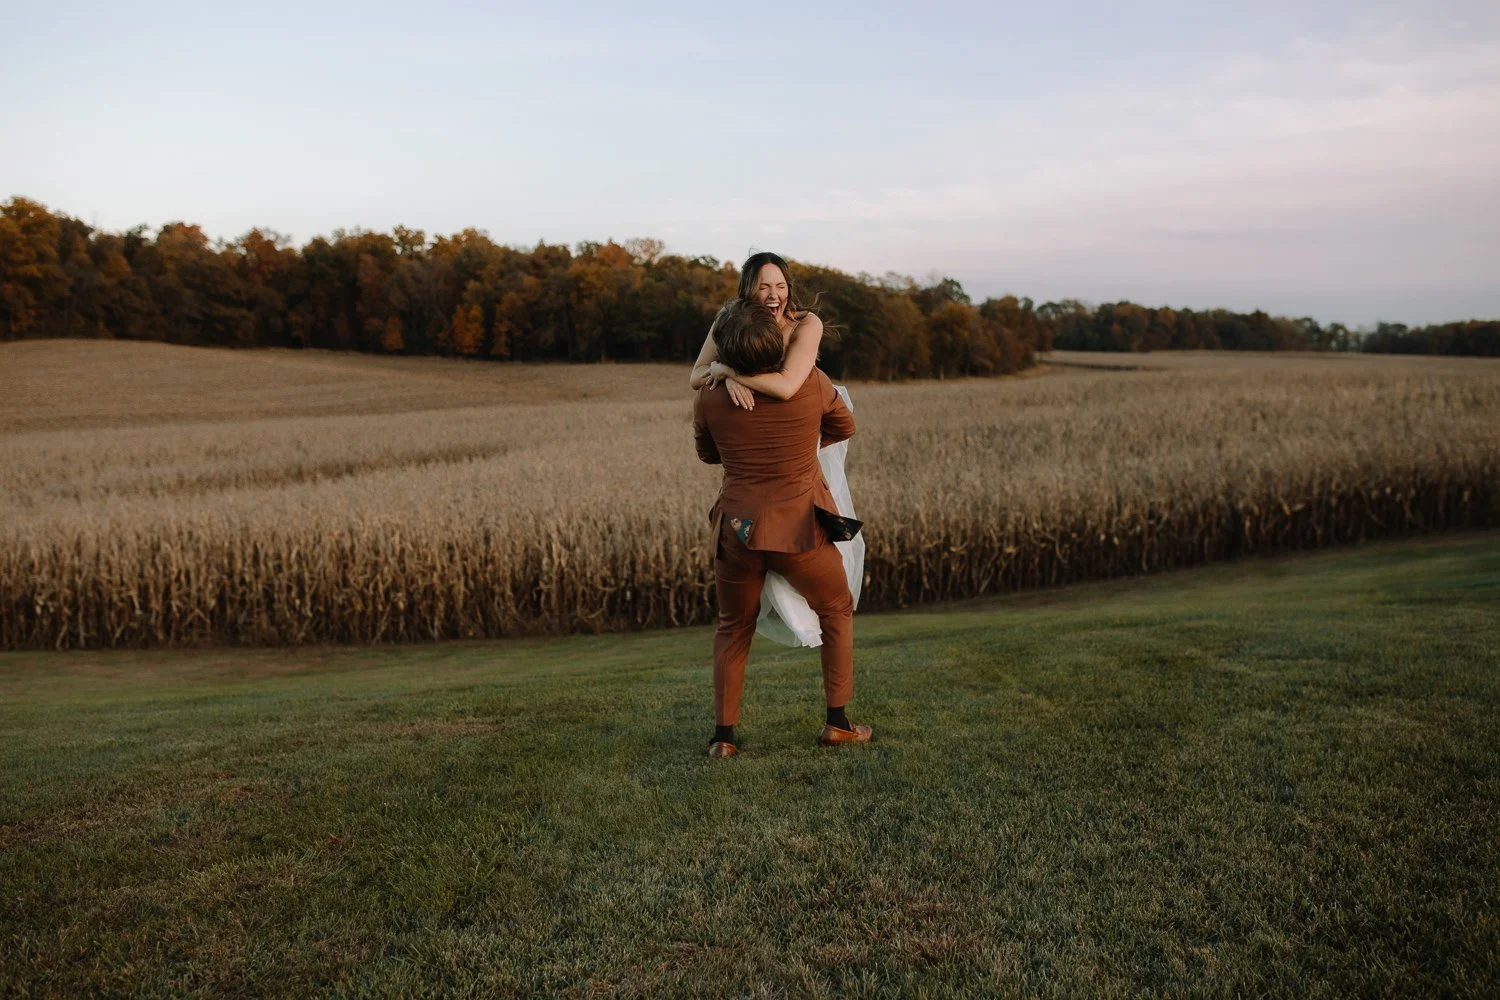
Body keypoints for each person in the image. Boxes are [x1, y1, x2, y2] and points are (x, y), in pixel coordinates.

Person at [692, 299, 872, 758]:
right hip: (799, 529)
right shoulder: (811, 383)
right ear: (775, 343)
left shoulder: (709, 396)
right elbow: (844, 426)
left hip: (737, 529)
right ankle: (838, 724)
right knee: (836, 609)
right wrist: (802, 448)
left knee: (733, 627)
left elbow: (709, 455)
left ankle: (724, 737)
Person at [690, 251, 824, 410]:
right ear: (748, 291)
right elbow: (696, 376)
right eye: (763, 287)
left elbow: (786, 387)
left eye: (781, 286)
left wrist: (729, 372)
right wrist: (725, 379)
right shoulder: (729, 319)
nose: (773, 295)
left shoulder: (806, 324)